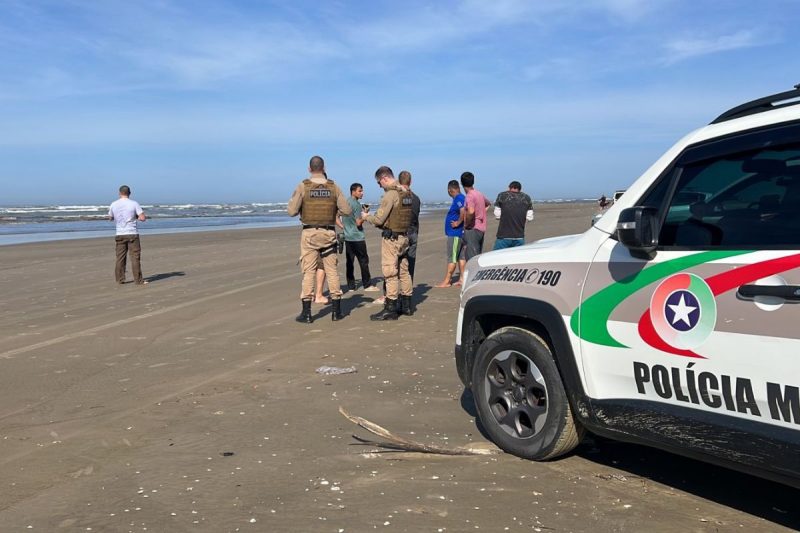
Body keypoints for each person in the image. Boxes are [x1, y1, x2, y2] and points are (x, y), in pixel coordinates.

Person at [287, 155, 352, 323]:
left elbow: (292, 211)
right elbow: (346, 210)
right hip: (329, 233)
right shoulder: (334, 186)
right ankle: (336, 312)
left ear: (309, 169)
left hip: (309, 233)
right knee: (331, 270)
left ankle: (307, 313)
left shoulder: (303, 186)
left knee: (309, 271)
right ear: (324, 168)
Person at [362, 166, 414, 320]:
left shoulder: (390, 194)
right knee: (404, 272)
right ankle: (407, 306)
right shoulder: (406, 192)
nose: (379, 185)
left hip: (392, 239)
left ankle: (390, 308)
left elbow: (379, 219)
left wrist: (366, 216)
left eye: (379, 182)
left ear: (384, 178)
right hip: (404, 237)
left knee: (390, 273)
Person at [337, 183, 379, 292]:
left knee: (349, 262)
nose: (362, 193)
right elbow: (358, 223)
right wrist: (365, 214)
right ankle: (367, 285)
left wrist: (342, 226)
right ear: (353, 191)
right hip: (357, 237)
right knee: (363, 261)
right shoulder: (355, 204)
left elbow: (335, 216)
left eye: (362, 190)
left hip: (348, 237)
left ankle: (351, 286)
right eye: (360, 191)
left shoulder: (345, 202)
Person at [108, 185, 147, 285]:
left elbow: (110, 218)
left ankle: (120, 279)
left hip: (120, 233)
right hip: (132, 233)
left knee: (120, 257)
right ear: (129, 193)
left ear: (119, 193)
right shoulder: (134, 203)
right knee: (135, 257)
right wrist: (137, 217)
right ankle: (138, 280)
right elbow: (142, 218)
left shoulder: (113, 204)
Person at [436, 180, 466, 287]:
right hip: (459, 233)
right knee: (461, 257)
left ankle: (447, 281)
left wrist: (458, 222)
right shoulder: (461, 198)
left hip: (455, 234)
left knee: (452, 257)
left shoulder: (459, 198)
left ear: (449, 190)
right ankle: (462, 278)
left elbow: (463, 210)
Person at [493, 180, 534, 250]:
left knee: (497, 257)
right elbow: (530, 217)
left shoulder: (502, 195)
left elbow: (497, 215)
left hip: (503, 236)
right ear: (520, 189)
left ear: (509, 188)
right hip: (519, 236)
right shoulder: (527, 197)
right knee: (515, 259)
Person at [460, 171, 491, 261]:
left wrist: (467, 224)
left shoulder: (469, 196)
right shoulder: (479, 194)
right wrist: (481, 212)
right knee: (477, 255)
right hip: (481, 228)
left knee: (471, 258)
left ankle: (472, 274)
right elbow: (488, 203)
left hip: (473, 229)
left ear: (461, 183)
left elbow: (471, 211)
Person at [398, 170, 421, 282]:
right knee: (410, 262)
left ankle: (393, 292)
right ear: (410, 182)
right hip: (414, 232)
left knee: (396, 263)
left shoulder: (399, 196)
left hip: (403, 232)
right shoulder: (416, 198)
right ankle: (408, 291)